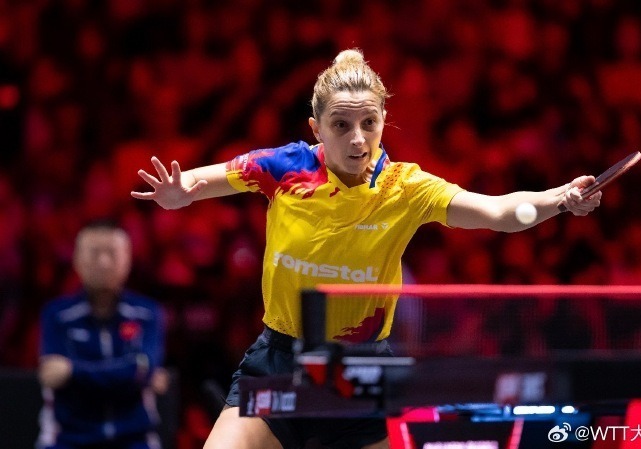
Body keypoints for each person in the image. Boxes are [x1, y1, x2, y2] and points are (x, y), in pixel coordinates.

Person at [131, 49, 601, 449]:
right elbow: (200, 180)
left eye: (369, 123)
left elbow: (497, 211)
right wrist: (179, 192)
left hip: (362, 372)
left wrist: (559, 198)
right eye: (341, 124)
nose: (358, 139)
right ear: (316, 128)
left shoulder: (405, 187)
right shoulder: (284, 167)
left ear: (382, 123)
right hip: (279, 362)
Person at [37, 220, 168, 449]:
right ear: (77, 260)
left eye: (112, 253)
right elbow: (52, 375)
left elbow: (143, 368)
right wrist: (129, 372)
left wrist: (73, 371)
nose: (104, 262)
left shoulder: (147, 313)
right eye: (94, 253)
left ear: (128, 259)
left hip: (135, 439)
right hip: (67, 439)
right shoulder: (57, 315)